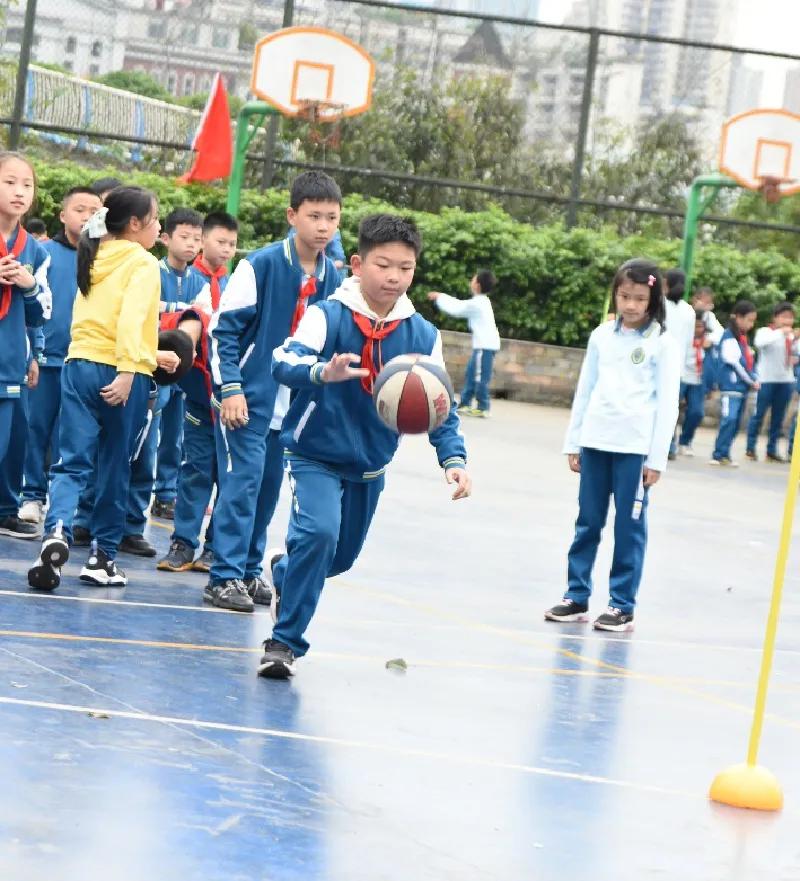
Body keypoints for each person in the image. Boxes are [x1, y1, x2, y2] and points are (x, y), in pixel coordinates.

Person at [259, 213, 471, 679]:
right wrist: (320, 372)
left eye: (405, 267)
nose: (394, 276)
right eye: (383, 265)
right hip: (314, 453)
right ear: (357, 264)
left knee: (339, 558)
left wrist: (453, 459)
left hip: (371, 463)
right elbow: (283, 360)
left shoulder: (421, 334)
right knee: (319, 534)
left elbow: (440, 404)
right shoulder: (327, 314)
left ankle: (288, 573)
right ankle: (284, 643)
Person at [205, 171, 343, 612]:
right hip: (247, 400)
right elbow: (222, 331)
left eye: (332, 218)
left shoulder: (332, 281)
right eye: (314, 216)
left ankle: (247, 570)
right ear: (292, 215)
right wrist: (231, 388)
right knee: (241, 484)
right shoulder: (260, 265)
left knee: (267, 491)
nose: (323, 226)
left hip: (293, 408)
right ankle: (223, 576)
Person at [27, 186, 161, 590]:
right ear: (135, 224)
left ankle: (57, 531)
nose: (158, 227)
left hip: (78, 363)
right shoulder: (142, 262)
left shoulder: (94, 254)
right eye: (155, 220)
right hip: (120, 371)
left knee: (71, 460)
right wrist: (127, 370)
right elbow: (132, 318)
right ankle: (102, 557)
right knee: (115, 465)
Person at [545, 259, 679, 633]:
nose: (631, 305)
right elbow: (585, 390)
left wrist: (657, 459)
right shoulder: (601, 336)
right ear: (615, 295)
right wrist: (574, 441)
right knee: (587, 522)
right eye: (624, 296)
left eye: (640, 298)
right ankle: (576, 596)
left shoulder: (663, 343)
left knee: (629, 527)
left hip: (635, 451)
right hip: (595, 442)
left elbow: (668, 403)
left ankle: (622, 604)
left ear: (653, 301)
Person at [19, 186, 103, 524]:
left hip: (84, 362)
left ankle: (64, 504)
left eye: (94, 210)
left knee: (70, 437)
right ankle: (32, 496)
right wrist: (34, 352)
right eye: (79, 209)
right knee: (36, 428)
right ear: (63, 215)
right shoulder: (43, 253)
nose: (86, 216)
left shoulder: (104, 259)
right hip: (47, 359)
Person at [0, 152, 52, 540]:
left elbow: (40, 313)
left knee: (14, 440)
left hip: (12, 360)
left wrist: (28, 286)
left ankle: (5, 508)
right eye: (9, 182)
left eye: (27, 185)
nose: (19, 192)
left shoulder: (35, 251)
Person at [150, 208, 207, 521]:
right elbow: (153, 308)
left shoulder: (200, 279)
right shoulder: (152, 272)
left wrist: (179, 311)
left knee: (175, 436)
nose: (191, 244)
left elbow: (204, 315)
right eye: (184, 237)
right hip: (156, 366)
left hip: (186, 371)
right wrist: (186, 310)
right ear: (165, 237)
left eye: (196, 239)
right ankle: (136, 493)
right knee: (148, 434)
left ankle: (166, 494)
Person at [156, 306, 218, 573]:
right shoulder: (166, 329)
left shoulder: (219, 332)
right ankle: (182, 544)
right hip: (198, 407)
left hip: (236, 405)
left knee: (231, 480)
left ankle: (217, 547)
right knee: (194, 472)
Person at [427, 269, 501, 418]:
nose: (471, 282)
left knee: (480, 376)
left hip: (485, 346)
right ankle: (465, 403)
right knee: (471, 373)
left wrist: (439, 297)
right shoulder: (480, 302)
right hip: (482, 345)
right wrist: (441, 296)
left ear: (477, 285)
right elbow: (459, 304)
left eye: (473, 279)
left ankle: (483, 406)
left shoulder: (478, 303)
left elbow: (456, 308)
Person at [744, 302, 797, 463]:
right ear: (775, 318)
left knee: (778, 417)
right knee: (758, 415)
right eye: (784, 317)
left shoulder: (793, 336)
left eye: (790, 317)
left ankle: (771, 450)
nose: (787, 320)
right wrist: (781, 332)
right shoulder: (766, 332)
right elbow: (760, 343)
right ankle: (750, 448)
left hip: (786, 381)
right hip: (766, 380)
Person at [710, 300, 759, 467]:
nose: (751, 324)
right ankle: (718, 453)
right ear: (739, 317)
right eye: (749, 320)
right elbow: (737, 363)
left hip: (741, 388)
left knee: (736, 422)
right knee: (729, 419)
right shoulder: (729, 336)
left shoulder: (741, 338)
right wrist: (752, 380)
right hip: (731, 387)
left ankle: (725, 453)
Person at [663, 269, 695, 460]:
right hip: (678, 368)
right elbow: (690, 342)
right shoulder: (688, 310)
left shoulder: (659, 304)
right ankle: (669, 446)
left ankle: (667, 446)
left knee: (666, 408)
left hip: (668, 367)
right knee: (671, 408)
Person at [674, 311, 709, 456]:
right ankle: (669, 442)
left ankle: (685, 441)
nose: (697, 330)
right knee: (672, 410)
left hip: (698, 380)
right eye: (695, 326)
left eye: (700, 326)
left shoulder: (708, 341)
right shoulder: (682, 338)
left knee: (697, 412)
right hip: (681, 377)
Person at [193, 211, 238, 314]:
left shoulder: (232, 284)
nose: (227, 249)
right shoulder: (186, 279)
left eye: (232, 244)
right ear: (202, 241)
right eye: (221, 242)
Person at [693, 286, 723, 393]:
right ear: (695, 299)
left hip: (702, 355)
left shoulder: (709, 316)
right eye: (703, 301)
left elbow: (720, 332)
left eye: (709, 303)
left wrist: (709, 339)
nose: (707, 305)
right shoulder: (687, 312)